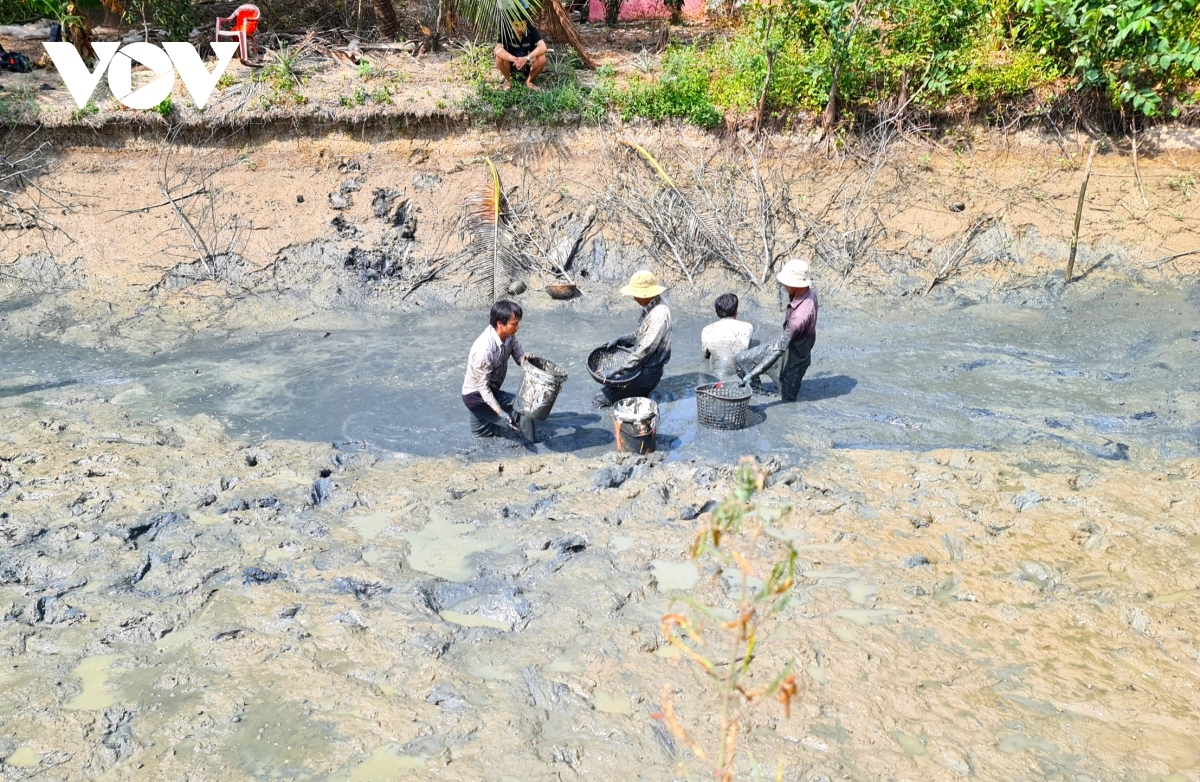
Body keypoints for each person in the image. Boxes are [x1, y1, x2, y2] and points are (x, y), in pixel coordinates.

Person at [735, 259, 818, 401]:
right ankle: (761, 394)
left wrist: (752, 374)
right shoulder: (809, 293)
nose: (784, 285)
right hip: (787, 345)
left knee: (788, 399)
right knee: (741, 361)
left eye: (786, 283)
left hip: (796, 357)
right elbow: (780, 346)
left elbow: (778, 351)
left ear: (796, 284)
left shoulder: (798, 320)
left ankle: (781, 377)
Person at [594, 270, 672, 408]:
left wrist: (614, 370)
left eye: (637, 295)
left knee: (600, 399)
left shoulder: (659, 314)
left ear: (647, 293)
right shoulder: (651, 306)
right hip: (640, 367)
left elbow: (645, 349)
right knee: (612, 388)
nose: (635, 299)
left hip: (648, 372)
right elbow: (639, 336)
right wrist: (620, 339)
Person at [462, 300, 538, 441]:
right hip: (476, 396)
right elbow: (483, 389)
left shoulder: (508, 335)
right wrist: (499, 412)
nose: (518, 327)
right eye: (514, 324)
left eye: (518, 323)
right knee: (523, 407)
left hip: (491, 388)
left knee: (482, 433)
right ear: (499, 324)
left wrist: (524, 358)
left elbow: (517, 353)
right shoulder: (484, 351)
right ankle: (532, 441)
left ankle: (488, 426)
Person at [701, 293, 753, 380]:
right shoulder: (748, 327)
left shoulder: (707, 330)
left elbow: (705, 354)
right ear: (736, 311)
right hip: (739, 372)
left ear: (717, 312)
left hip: (716, 373)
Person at [494, 19, 547, 91]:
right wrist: (514, 59)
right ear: (511, 24)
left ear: (526, 24)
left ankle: (529, 81)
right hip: (510, 65)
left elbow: (543, 47)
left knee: (542, 58)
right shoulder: (506, 31)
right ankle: (508, 80)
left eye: (522, 25)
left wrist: (526, 58)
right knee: (499, 58)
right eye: (516, 25)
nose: (519, 28)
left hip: (528, 65)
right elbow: (497, 50)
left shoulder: (532, 30)